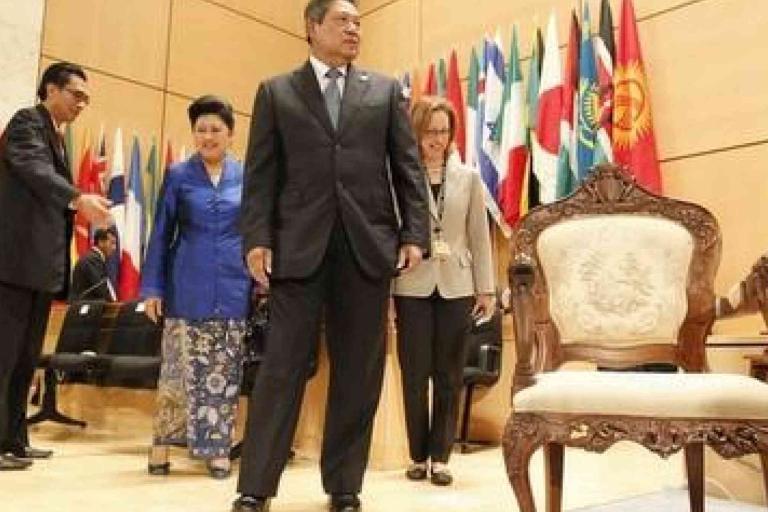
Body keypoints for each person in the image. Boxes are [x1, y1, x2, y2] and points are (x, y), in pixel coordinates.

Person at [233, 0, 429, 510]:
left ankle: (344, 486)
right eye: (343, 21)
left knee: (358, 371)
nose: (353, 29)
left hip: (366, 247)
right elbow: (260, 177)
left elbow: (406, 168)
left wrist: (413, 233)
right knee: (282, 367)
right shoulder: (276, 92)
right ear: (312, 27)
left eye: (359, 23)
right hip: (297, 248)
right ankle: (255, 487)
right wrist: (257, 238)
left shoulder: (384, 91)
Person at [0, 61, 111, 471]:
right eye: (76, 94)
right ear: (50, 89)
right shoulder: (28, 122)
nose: (82, 103)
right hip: (12, 265)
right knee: (4, 357)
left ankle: (13, 439)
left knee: (25, 359)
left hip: (39, 269)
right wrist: (77, 198)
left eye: (87, 98)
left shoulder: (58, 138)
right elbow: (31, 168)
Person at [140, 95, 251, 479]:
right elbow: (160, 234)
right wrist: (152, 288)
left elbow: (257, 234)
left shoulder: (247, 176)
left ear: (231, 134)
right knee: (177, 371)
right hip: (185, 284)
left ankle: (217, 449)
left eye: (215, 129)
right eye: (200, 130)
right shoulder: (178, 174)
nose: (207, 136)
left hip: (235, 287)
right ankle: (161, 446)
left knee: (223, 370)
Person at [393, 96, 495, 486]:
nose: (438, 139)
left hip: (457, 284)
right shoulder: (401, 176)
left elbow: (478, 236)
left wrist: (485, 288)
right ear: (416, 132)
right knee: (414, 374)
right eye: (430, 131)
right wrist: (387, 290)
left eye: (444, 131)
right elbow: (392, 234)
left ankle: (442, 455)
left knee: (449, 374)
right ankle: (418, 455)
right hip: (411, 283)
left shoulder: (468, 177)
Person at [70, 227, 118, 301]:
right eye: (112, 243)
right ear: (101, 242)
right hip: (85, 308)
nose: (114, 248)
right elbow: (101, 290)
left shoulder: (94, 258)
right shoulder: (92, 260)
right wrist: (113, 303)